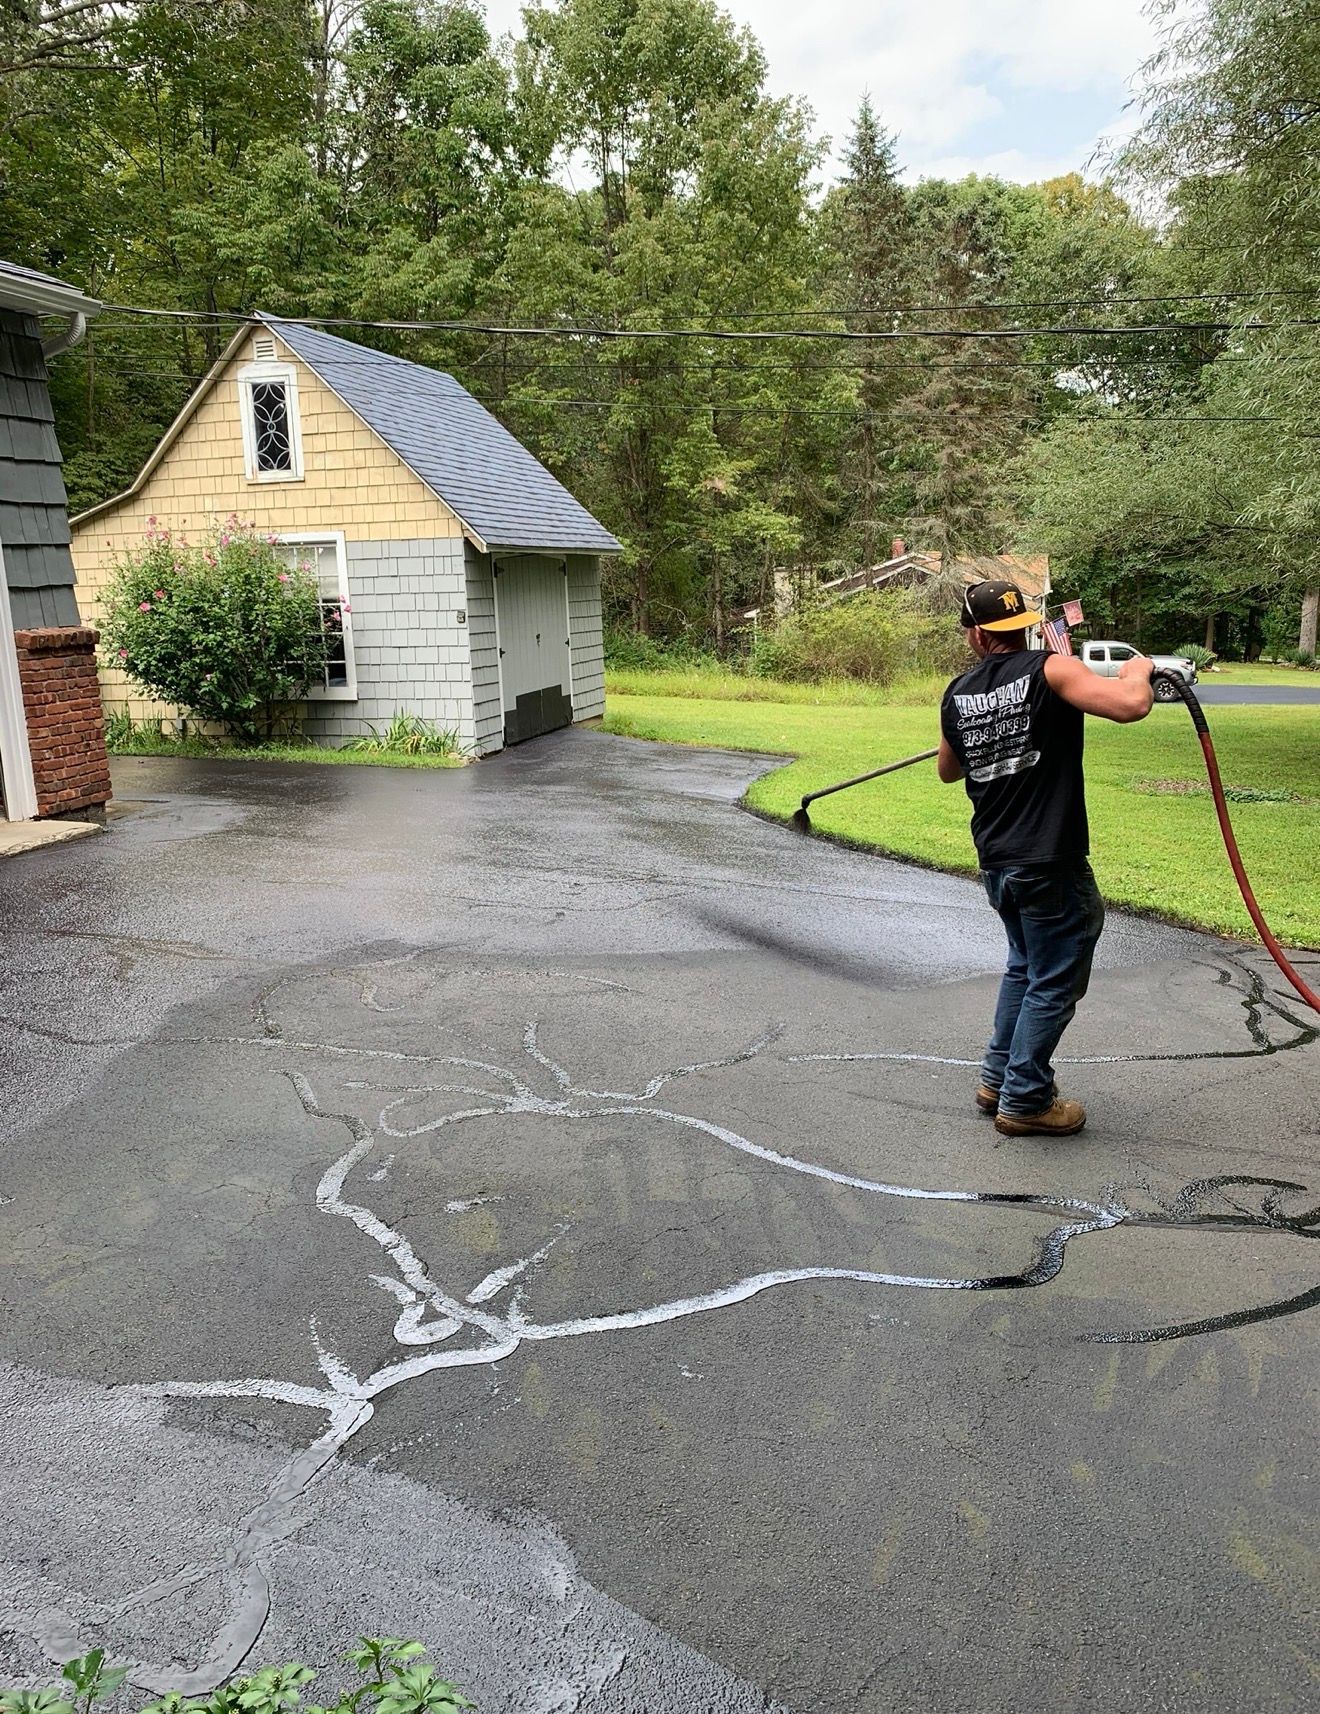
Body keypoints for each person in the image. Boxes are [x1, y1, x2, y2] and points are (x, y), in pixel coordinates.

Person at [937, 580, 1154, 1137]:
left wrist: (989, 731)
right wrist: (1138, 670)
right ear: (1024, 625)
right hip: (1049, 858)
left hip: (998, 859)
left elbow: (948, 768)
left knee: (1024, 966)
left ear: (978, 634)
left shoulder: (957, 691)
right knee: (1054, 977)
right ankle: (1026, 1099)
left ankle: (996, 1080)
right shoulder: (1051, 670)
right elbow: (1131, 704)